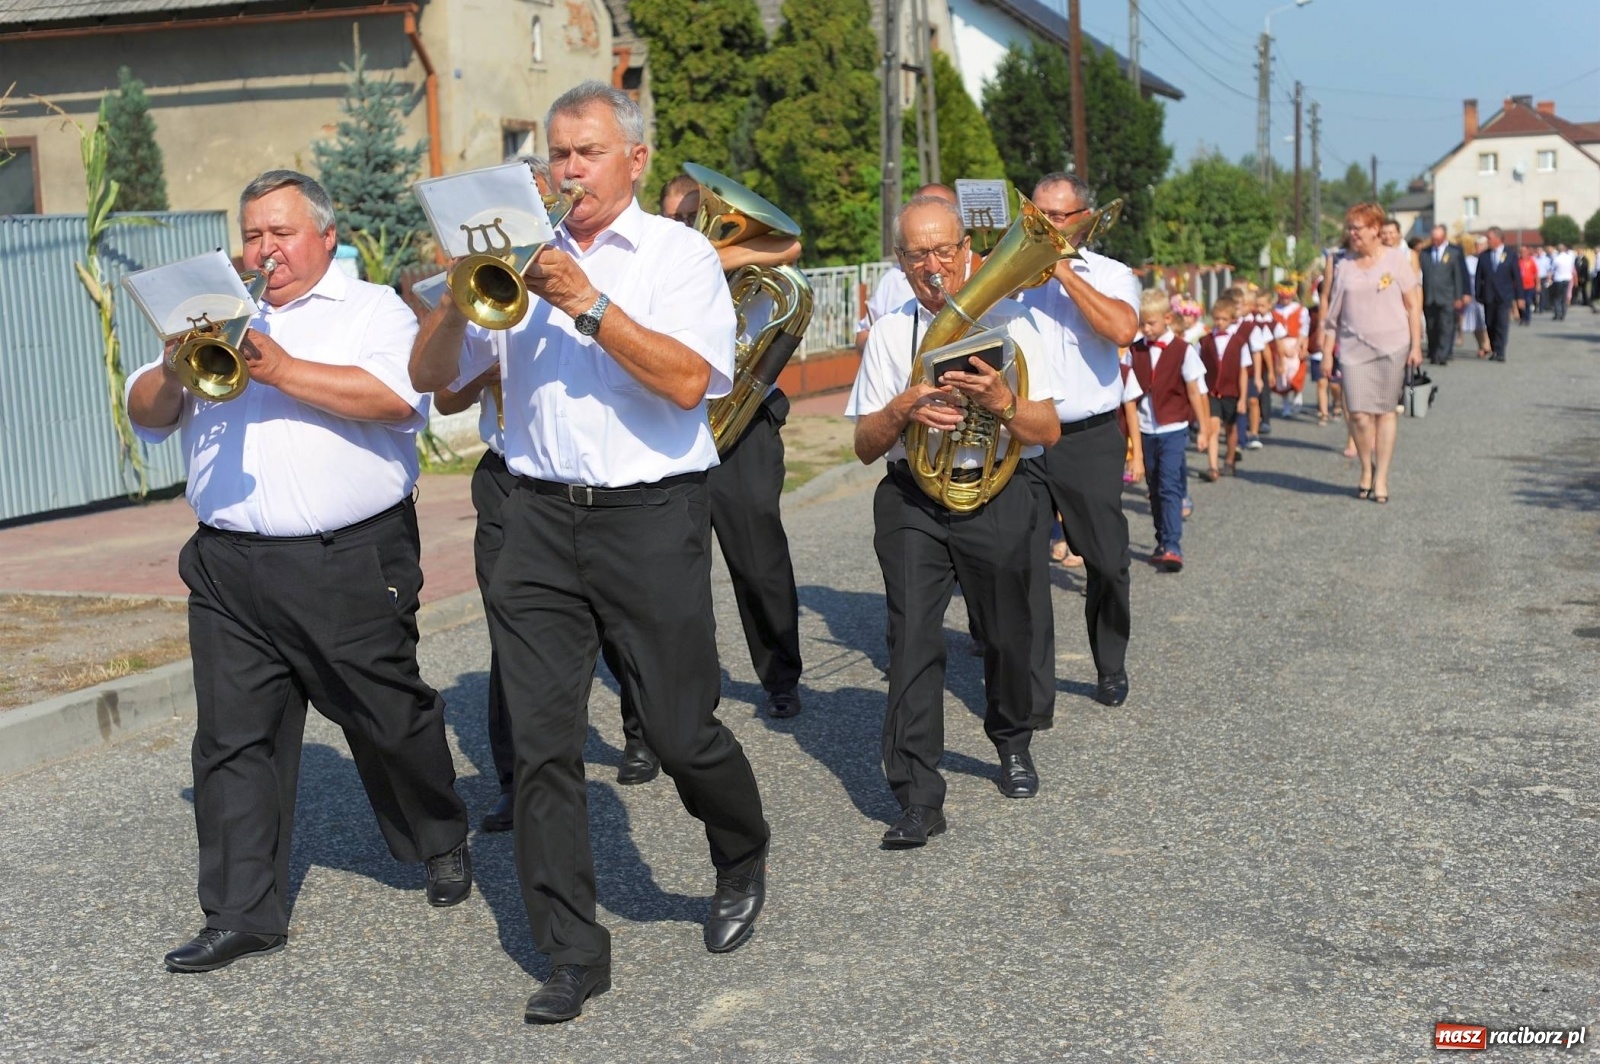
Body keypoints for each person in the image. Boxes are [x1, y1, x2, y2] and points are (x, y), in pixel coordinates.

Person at [411, 81, 770, 1024]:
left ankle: (739, 848)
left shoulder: (680, 255)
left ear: (637, 160)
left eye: (587, 153)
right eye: (556, 155)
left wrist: (584, 300)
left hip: (648, 516)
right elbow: (436, 387)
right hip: (530, 516)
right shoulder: (522, 259)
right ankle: (570, 950)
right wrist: (460, 296)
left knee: (682, 725)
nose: (568, 171)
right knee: (540, 747)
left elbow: (691, 382)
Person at [126, 170, 472, 974]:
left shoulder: (370, 309)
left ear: (324, 234)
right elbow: (146, 413)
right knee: (230, 739)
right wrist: (176, 369)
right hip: (227, 564)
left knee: (388, 716)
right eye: (251, 234)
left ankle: (439, 833)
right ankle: (242, 912)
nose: (264, 249)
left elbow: (397, 399)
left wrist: (278, 368)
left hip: (346, 557)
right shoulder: (209, 314)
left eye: (280, 233)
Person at [846, 194, 1063, 846]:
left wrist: (1002, 402)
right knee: (911, 639)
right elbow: (862, 446)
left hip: (998, 490)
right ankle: (917, 796)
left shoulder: (1019, 323)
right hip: (916, 497)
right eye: (918, 255)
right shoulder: (891, 333)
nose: (934, 266)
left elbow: (1046, 428)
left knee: (1006, 631)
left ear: (969, 251)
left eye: (945, 251)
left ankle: (1011, 737)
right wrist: (902, 410)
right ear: (901, 262)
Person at [605, 171, 807, 788]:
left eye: (699, 215)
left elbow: (790, 246)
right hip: (659, 430)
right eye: (678, 218)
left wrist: (710, 255)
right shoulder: (645, 262)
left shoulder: (701, 257)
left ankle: (780, 676)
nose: (688, 226)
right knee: (649, 590)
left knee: (757, 559)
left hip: (739, 429)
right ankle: (644, 727)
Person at [430, 153, 554, 833]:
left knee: (623, 631)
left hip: (588, 482)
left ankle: (640, 724)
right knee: (511, 636)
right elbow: (445, 394)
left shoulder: (582, 269)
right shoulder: (484, 281)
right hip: (509, 478)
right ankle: (517, 781)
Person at [1017, 172, 1141, 714]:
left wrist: (1064, 272)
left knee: (1108, 561)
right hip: (1022, 436)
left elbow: (1122, 330)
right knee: (1019, 565)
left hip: (1087, 438)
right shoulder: (1011, 277)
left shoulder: (1113, 274)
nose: (1047, 225)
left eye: (1059, 216)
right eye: (1039, 215)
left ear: (1084, 219)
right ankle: (1032, 686)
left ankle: (1109, 663)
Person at [1321, 202, 1423, 504]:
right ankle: (1366, 466)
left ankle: (1381, 478)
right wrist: (1327, 351)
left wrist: (1416, 345)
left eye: (1358, 228)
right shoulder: (1344, 266)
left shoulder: (1396, 260)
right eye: (1349, 228)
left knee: (1385, 411)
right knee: (1360, 415)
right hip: (1353, 349)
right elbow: (1332, 315)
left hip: (1393, 346)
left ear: (1375, 229)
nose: (1352, 234)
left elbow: (1413, 305)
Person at [1125, 289, 1209, 572]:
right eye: (1142, 323)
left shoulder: (1183, 350)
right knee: (1154, 487)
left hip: (1174, 428)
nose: (1146, 329)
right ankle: (1162, 539)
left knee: (1169, 485)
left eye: (1151, 323)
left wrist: (1204, 429)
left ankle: (1173, 545)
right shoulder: (1135, 350)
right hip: (1146, 430)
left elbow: (1196, 392)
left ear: (1168, 318)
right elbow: (1127, 393)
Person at [853, 184, 959, 353]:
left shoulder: (980, 268)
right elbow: (863, 334)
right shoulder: (892, 279)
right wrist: (885, 349)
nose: (933, 267)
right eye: (918, 253)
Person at [1196, 295, 1252, 479]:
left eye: (1224, 319)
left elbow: (1243, 371)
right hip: (1210, 391)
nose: (1220, 323)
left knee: (1231, 428)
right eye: (1217, 318)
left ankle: (1229, 460)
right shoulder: (1204, 342)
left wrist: (1243, 398)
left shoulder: (1239, 342)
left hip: (1231, 391)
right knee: (1213, 426)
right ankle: (1212, 467)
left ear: (1231, 320)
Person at [1417, 225, 1471, 366]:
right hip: (1430, 296)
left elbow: (1458, 276)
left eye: (1438, 238)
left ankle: (1443, 354)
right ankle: (1434, 351)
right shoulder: (1425, 253)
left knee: (1446, 326)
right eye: (1433, 238)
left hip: (1448, 296)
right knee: (1432, 327)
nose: (1435, 241)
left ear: (1444, 237)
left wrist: (1459, 296)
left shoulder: (1453, 252)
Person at [1476, 227, 1528, 362]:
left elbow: (1517, 278)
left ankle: (1500, 351)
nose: (1488, 241)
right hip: (1488, 295)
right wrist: (1478, 294)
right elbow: (1478, 277)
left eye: (1490, 238)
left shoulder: (1510, 255)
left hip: (1504, 296)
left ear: (1498, 239)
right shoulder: (1484, 256)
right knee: (1490, 323)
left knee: (1502, 324)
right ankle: (1494, 349)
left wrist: (1520, 297)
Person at [1460, 235, 1490, 358]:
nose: (1478, 247)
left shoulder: (1489, 259)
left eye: (1481, 245)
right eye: (1477, 245)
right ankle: (1481, 345)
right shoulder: (1469, 260)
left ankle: (1487, 344)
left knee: (1485, 321)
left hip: (1486, 294)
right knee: (1475, 322)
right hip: (1472, 295)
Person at [1551, 243, 1576, 321]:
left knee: (1557, 297)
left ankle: (1557, 313)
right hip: (1567, 279)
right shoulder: (1569, 258)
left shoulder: (1556, 258)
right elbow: (1572, 268)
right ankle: (1563, 314)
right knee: (1564, 297)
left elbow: (1552, 269)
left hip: (1558, 279)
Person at [1517, 247, 1539, 325]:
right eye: (1521, 252)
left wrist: (1538, 284)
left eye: (1524, 252)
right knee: (1520, 303)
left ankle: (1527, 318)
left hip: (1529, 286)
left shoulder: (1531, 261)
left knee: (1528, 301)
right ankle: (1522, 317)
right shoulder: (1518, 261)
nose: (1522, 253)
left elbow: (1536, 274)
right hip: (1519, 286)